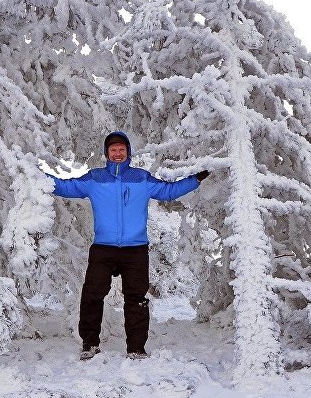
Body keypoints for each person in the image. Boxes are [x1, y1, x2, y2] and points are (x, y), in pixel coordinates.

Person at [46, 131, 209, 360]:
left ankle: (136, 348)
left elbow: (169, 191)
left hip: (136, 250)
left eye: (122, 149)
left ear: (128, 152)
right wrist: (37, 176)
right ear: (107, 153)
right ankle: (90, 344)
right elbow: (64, 187)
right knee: (92, 294)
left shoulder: (141, 178)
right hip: (103, 248)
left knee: (136, 298)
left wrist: (196, 179)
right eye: (113, 149)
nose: (118, 153)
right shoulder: (95, 178)